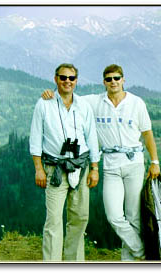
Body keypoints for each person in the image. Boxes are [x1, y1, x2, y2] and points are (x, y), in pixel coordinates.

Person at [41, 64, 160, 261]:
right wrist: (50, 94)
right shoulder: (95, 102)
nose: (113, 82)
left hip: (135, 163)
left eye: (117, 78)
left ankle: (130, 261)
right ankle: (145, 253)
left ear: (123, 80)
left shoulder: (137, 103)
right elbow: (69, 95)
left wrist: (154, 161)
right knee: (114, 216)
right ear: (104, 82)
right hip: (111, 165)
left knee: (134, 217)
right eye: (109, 79)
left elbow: (147, 134)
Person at [29, 63, 100, 262]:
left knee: (79, 217)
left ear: (76, 81)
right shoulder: (44, 103)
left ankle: (73, 262)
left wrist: (95, 168)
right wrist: (39, 169)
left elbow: (92, 138)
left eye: (71, 78)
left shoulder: (83, 105)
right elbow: (36, 138)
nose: (67, 81)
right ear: (55, 79)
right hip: (55, 169)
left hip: (81, 167)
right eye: (63, 78)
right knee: (53, 220)